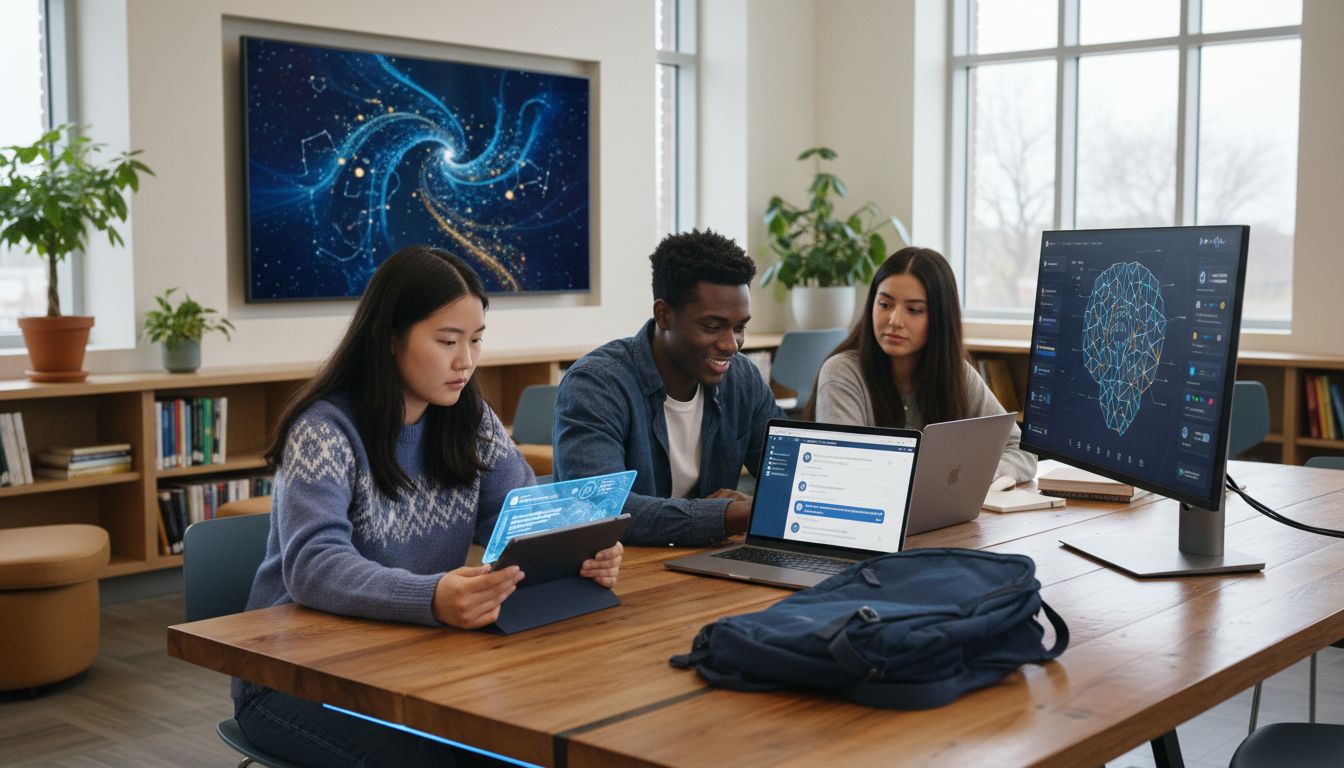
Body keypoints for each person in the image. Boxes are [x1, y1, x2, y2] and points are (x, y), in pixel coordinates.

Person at [232, 246, 623, 768]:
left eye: (477, 340)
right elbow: (314, 567)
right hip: (293, 677)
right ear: (390, 338)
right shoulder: (323, 431)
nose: (466, 361)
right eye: (447, 341)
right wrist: (431, 597)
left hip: (407, 661)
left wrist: (579, 548)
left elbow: (524, 516)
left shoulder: (469, 418)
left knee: (530, 742)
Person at [554, 229, 785, 546]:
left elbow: (795, 480)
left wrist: (752, 507)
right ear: (663, 315)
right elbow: (602, 509)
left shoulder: (742, 379)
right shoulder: (596, 385)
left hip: (707, 561)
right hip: (624, 572)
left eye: (740, 327)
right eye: (712, 326)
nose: (732, 344)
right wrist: (731, 514)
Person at [807, 246, 1036, 484]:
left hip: (942, 516)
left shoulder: (957, 374)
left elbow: (1020, 448)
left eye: (914, 310)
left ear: (939, 318)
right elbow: (848, 470)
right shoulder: (842, 373)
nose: (894, 321)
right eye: (885, 305)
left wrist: (982, 476)